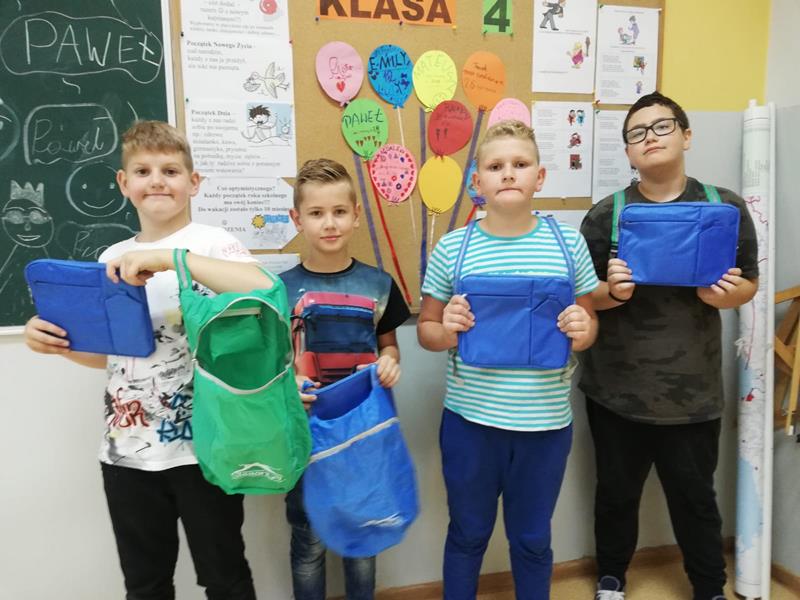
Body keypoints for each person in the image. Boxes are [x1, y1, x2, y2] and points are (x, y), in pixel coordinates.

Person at [23, 120, 272, 600]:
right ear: (124, 183)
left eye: (170, 170)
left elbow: (266, 291)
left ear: (193, 182)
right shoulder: (112, 257)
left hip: (205, 449)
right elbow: (116, 355)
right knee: (145, 584)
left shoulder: (213, 245)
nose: (157, 180)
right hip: (127, 451)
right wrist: (58, 344)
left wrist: (174, 259)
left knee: (225, 577)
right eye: (142, 171)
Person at [579, 92, 759, 600]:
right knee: (615, 495)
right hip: (615, 391)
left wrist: (723, 295)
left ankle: (709, 588)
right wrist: (612, 292)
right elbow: (581, 298)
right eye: (637, 133)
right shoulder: (606, 216)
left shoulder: (724, 207)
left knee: (696, 500)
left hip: (693, 395)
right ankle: (611, 579)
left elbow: (749, 283)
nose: (650, 138)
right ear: (628, 151)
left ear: (686, 135)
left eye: (661, 126)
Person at [417, 120, 599, 599]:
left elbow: (588, 325)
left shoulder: (568, 244)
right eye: (496, 166)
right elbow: (427, 331)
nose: (509, 173)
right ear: (477, 181)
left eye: (520, 164)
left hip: (545, 426)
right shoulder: (453, 248)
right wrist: (447, 329)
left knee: (533, 539)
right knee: (467, 534)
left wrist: (584, 330)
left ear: (540, 176)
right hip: (470, 424)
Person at [281, 158, 411, 600]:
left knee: (364, 538)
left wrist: (390, 362)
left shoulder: (378, 284)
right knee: (309, 542)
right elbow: (276, 364)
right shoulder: (279, 290)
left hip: (364, 434)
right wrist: (288, 385)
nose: (329, 223)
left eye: (339, 211)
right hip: (307, 436)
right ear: (297, 219)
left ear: (356, 215)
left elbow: (389, 346)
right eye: (316, 213)